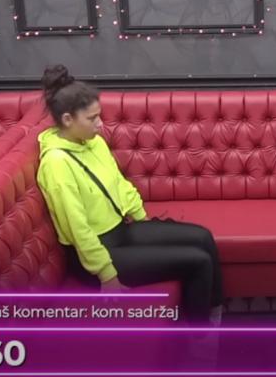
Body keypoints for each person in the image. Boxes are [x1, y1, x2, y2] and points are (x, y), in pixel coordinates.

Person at [36, 65, 223, 324]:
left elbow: (118, 183)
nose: (100, 124)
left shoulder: (93, 143)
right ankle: (201, 340)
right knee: (198, 262)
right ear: (68, 119)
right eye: (92, 118)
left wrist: (142, 219)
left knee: (203, 237)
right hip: (95, 256)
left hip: (120, 231)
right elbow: (78, 229)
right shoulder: (56, 163)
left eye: (99, 116)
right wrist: (107, 275)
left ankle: (214, 317)